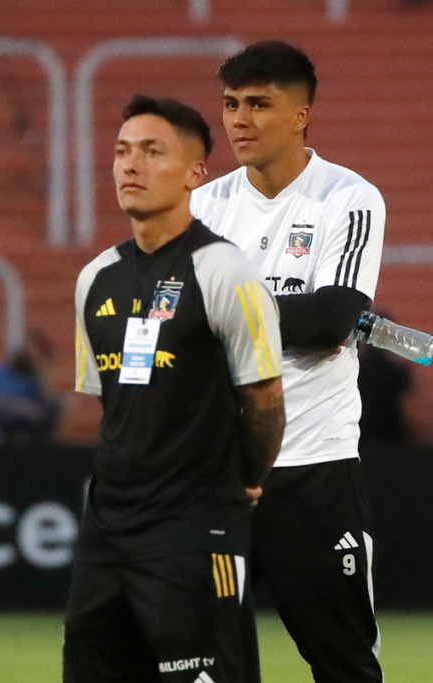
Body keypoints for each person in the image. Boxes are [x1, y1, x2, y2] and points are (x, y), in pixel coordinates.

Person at [65, 94, 285, 683]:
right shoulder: (95, 279)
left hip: (195, 525)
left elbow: (263, 399)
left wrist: (247, 480)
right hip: (107, 528)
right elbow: (113, 404)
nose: (130, 165)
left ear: (194, 173)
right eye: (121, 151)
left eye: (151, 151)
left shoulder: (224, 271)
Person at [191, 41, 386, 681]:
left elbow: (329, 321)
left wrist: (226, 304)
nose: (239, 120)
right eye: (230, 104)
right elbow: (175, 322)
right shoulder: (203, 207)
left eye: (259, 104)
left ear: (301, 114)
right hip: (218, 475)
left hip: (313, 468)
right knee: (202, 663)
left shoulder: (347, 199)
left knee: (343, 663)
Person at [0, 329, 59, 444]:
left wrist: (41, 367)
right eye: (26, 347)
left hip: (26, 422)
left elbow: (45, 406)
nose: (27, 352)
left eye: (33, 350)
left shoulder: (34, 378)